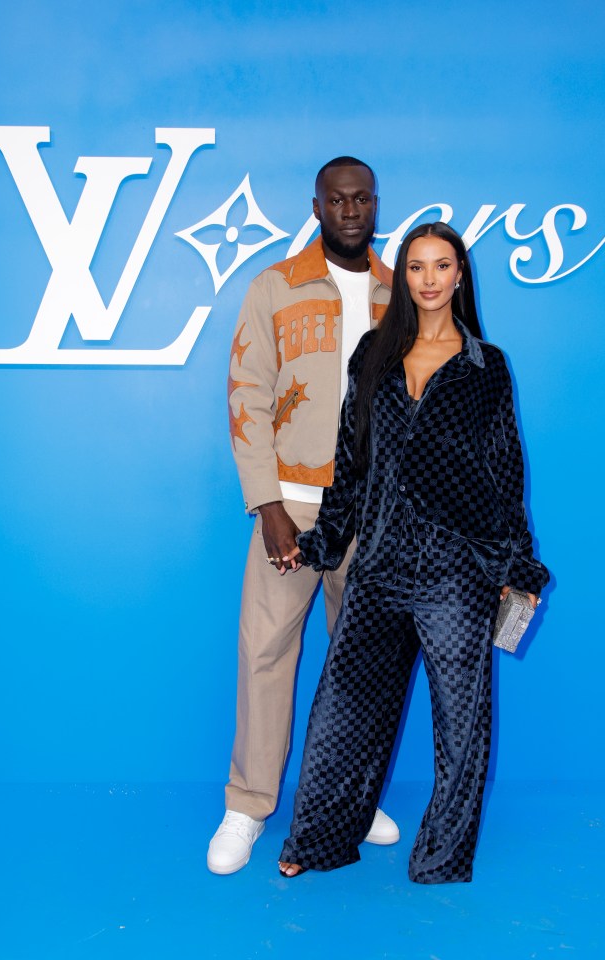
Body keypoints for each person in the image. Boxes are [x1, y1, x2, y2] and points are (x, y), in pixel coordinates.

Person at [278, 221, 550, 883]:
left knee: (462, 722)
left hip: (457, 572)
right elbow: (351, 463)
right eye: (417, 266)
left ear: (460, 275)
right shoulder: (373, 352)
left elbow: (506, 471)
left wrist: (519, 566)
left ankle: (441, 857)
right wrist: (325, 541)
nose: (429, 279)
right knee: (344, 705)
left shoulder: (488, 367)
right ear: (403, 277)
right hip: (379, 565)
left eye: (442, 265)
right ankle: (315, 842)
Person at [208, 158, 400, 875]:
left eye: (362, 198)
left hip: (375, 517)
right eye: (336, 199)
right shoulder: (275, 286)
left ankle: (349, 798)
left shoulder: (398, 293)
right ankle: (249, 804)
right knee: (264, 655)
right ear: (316, 207)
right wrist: (268, 506)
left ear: (375, 205)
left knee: (363, 666)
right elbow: (246, 394)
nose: (350, 209)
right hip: (292, 508)